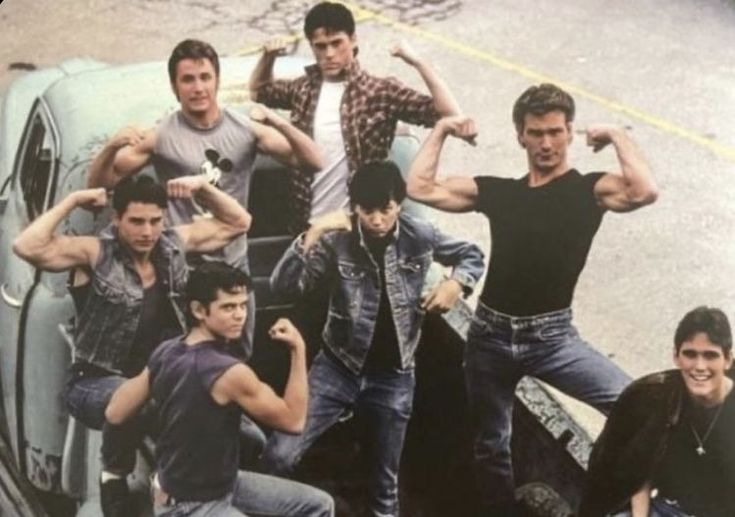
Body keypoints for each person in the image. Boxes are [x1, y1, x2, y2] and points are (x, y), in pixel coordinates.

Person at [406, 83, 659, 515]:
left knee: (633, 404)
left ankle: (617, 502)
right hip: (489, 337)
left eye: (556, 132)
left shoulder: (588, 191)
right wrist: (444, 127)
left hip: (553, 339)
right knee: (491, 444)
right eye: (537, 133)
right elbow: (420, 186)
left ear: (569, 132)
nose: (547, 143)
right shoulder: (501, 193)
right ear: (521, 135)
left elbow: (644, 190)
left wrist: (616, 134)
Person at [13, 174, 250, 517]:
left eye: (155, 221)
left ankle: (209, 490)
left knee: (247, 431)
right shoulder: (95, 252)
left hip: (162, 378)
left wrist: (201, 188)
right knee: (143, 403)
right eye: (136, 221)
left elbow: (238, 221)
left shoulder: (172, 245)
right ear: (117, 218)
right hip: (96, 381)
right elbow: (26, 246)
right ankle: (115, 476)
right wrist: (74, 200)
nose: (147, 232)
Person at [261, 160, 485, 517]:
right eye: (368, 211)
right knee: (279, 455)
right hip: (337, 368)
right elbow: (283, 287)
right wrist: (313, 234)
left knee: (385, 486)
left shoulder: (420, 234)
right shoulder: (336, 240)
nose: (378, 220)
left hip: (394, 375)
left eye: (386, 209)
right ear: (355, 208)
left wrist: (456, 284)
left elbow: (471, 254)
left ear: (399, 204)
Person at [87, 38, 323, 360]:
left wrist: (279, 121)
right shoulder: (162, 136)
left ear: (217, 81)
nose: (198, 88)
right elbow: (98, 189)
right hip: (185, 270)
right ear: (175, 86)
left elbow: (312, 161)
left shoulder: (245, 130)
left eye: (205, 77)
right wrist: (111, 146)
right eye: (188, 79)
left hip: (234, 264)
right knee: (186, 363)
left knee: (238, 360)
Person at [105, 262, 334, 517]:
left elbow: (115, 412)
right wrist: (298, 349)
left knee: (318, 505)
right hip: (190, 506)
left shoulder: (168, 351)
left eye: (243, 305)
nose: (240, 315)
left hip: (217, 485)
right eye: (228, 307)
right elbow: (294, 421)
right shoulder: (229, 373)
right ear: (199, 310)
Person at [249, 1, 469, 233]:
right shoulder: (302, 90)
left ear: (353, 40)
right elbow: (258, 90)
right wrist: (268, 57)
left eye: (337, 43)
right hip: (308, 227)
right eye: (321, 46)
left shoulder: (380, 92)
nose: (330, 54)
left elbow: (450, 115)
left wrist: (417, 62)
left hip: (362, 228)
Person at [580, 306, 735, 517]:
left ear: (727, 360)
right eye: (690, 354)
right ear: (676, 356)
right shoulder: (658, 399)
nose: (699, 366)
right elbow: (640, 473)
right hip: (665, 509)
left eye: (710, 356)